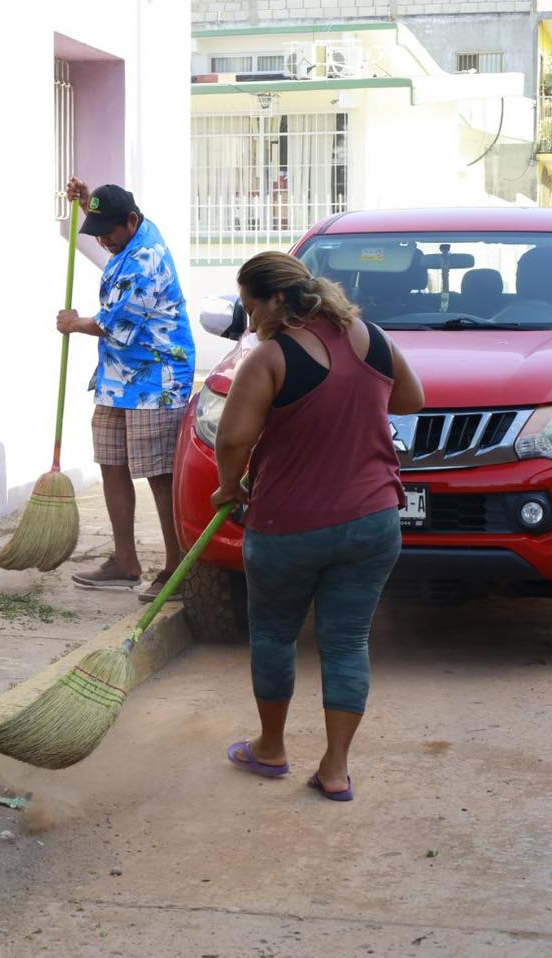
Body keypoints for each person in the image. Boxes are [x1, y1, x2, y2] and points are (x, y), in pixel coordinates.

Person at [212, 252, 424, 801]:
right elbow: (412, 398)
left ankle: (271, 748)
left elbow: (233, 438)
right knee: (348, 641)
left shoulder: (270, 358)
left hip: (289, 525)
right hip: (373, 520)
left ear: (277, 300)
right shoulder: (370, 337)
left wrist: (228, 487)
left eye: (251, 306)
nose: (249, 320)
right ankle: (335, 769)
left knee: (276, 635)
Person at [56, 177, 195, 601]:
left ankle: (176, 569)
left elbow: (115, 324)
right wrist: (86, 205)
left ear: (132, 221)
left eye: (108, 233)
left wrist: (74, 323)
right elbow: (110, 230)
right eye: (96, 232)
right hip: (118, 376)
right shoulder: (128, 235)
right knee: (111, 461)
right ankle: (124, 561)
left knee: (159, 473)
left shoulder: (145, 260)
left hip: (157, 377)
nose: (102, 241)